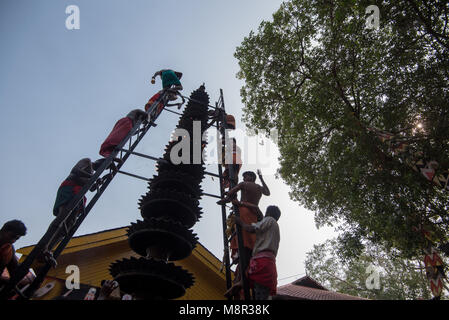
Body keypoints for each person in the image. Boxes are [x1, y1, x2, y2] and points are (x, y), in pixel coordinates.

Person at [217, 170, 270, 297]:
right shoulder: (258, 187)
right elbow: (268, 192)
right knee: (249, 249)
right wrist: (262, 179)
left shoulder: (243, 184)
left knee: (243, 247)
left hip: (244, 213)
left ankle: (240, 280)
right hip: (254, 217)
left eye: (246, 175)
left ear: (250, 177)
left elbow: (231, 193)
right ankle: (241, 279)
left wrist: (226, 198)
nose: (244, 177)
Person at [41, 158, 95, 264]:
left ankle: (48, 249)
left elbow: (91, 188)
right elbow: (75, 170)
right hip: (69, 189)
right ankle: (44, 247)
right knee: (63, 217)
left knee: (70, 224)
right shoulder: (87, 162)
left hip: (79, 194)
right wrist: (92, 177)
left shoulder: (93, 172)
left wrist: (98, 181)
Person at [233, 205, 281, 300]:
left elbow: (251, 229)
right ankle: (241, 282)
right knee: (260, 293)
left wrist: (240, 222)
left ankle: (241, 282)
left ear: (269, 213)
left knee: (259, 294)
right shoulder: (274, 228)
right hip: (268, 263)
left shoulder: (269, 220)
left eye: (266, 213)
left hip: (262, 262)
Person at [0, 220, 35, 298]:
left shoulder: (9, 250)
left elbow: (14, 269)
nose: (13, 241)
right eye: (12, 236)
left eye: (16, 239)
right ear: (3, 231)